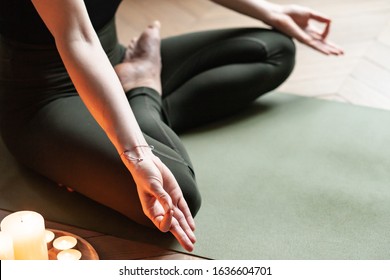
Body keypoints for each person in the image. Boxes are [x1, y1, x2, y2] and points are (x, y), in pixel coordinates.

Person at [0, 0, 343, 252]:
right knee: (176, 196)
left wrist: (270, 11)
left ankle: (138, 95)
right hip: (43, 99)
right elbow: (77, 38)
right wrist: (136, 155)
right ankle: (144, 93)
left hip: (111, 60)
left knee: (273, 50)